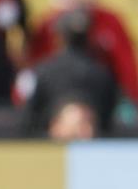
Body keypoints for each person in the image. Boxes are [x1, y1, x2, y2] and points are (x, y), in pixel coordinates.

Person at [26, 0, 138, 113]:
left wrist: (134, 101)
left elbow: (127, 68)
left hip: (103, 105)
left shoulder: (111, 22)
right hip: (58, 106)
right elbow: (35, 67)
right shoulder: (51, 23)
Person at [20, 7, 118, 138]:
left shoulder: (43, 71)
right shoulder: (102, 73)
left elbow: (29, 119)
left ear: (59, 37)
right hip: (90, 150)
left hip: (49, 149)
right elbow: (108, 122)